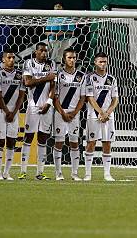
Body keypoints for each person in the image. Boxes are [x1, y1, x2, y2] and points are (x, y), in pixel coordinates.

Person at [20, 42, 56, 180]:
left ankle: (40, 172)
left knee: (43, 138)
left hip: (47, 106)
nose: (44, 53)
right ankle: (23, 171)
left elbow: (54, 85)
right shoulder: (28, 63)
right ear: (35, 52)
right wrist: (46, 77)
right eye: (41, 51)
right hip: (32, 106)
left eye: (46, 51)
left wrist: (49, 102)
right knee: (28, 137)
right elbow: (27, 82)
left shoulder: (51, 64)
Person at [0, 49, 26, 180]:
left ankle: (7, 172)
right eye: (9, 58)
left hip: (14, 112)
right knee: (0, 141)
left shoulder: (20, 75)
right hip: (1, 111)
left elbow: (22, 95)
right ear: (3, 60)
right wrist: (7, 112)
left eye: (13, 58)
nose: (12, 60)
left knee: (12, 141)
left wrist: (14, 112)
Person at [84, 52, 119, 181]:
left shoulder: (112, 79)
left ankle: (107, 174)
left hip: (108, 116)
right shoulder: (89, 78)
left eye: (104, 61)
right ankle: (88, 174)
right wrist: (100, 112)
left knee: (107, 143)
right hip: (93, 115)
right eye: (100, 61)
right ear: (95, 62)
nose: (103, 64)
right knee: (91, 143)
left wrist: (107, 113)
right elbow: (90, 97)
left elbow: (115, 99)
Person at [53, 48, 86, 181]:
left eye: (73, 58)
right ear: (64, 59)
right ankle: (58, 173)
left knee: (74, 143)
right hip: (60, 113)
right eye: (69, 58)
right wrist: (62, 112)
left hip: (74, 115)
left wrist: (74, 112)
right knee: (59, 142)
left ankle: (74, 173)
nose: (72, 60)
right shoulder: (58, 75)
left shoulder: (81, 76)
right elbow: (54, 96)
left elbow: (82, 98)